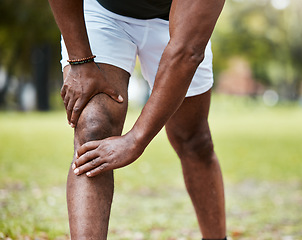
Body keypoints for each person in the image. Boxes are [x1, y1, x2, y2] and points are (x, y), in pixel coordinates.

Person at [48, 0, 226, 239]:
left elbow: (186, 52)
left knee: (193, 139)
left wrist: (135, 139)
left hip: (176, 22)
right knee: (93, 126)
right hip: (103, 11)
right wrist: (80, 62)